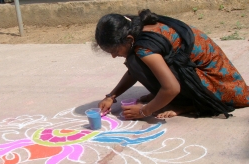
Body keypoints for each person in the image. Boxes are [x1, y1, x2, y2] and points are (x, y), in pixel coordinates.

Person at [95, 9, 249, 119]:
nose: (114, 56)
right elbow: (133, 71)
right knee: (135, 61)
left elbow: (171, 88)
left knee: (137, 61)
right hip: (205, 72)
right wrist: (112, 96)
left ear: (129, 39)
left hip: (215, 82)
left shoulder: (143, 48)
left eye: (114, 50)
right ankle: (172, 98)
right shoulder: (137, 26)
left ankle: (187, 104)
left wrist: (144, 111)